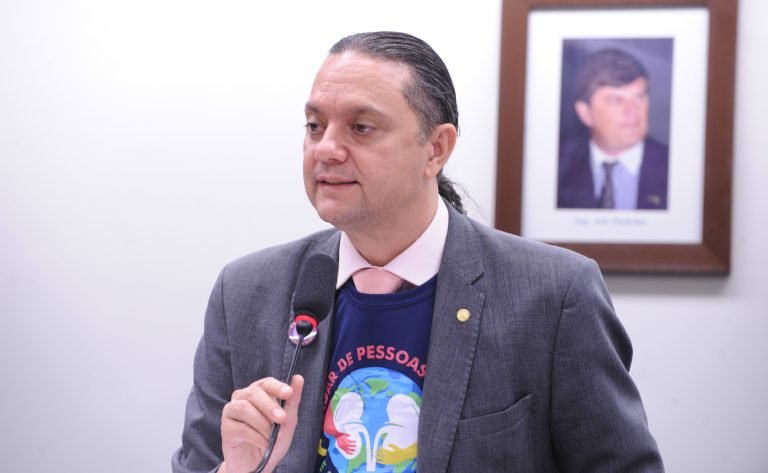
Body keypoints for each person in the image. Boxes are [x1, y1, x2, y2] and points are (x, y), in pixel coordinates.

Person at [172, 32, 664, 472]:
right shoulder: (245, 292)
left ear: (436, 149)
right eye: (315, 125)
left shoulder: (554, 295)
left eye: (361, 127)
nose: (326, 149)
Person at [557, 48, 669, 210]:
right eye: (616, 101)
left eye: (639, 97)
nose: (632, 111)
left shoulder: (676, 168)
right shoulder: (556, 167)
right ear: (585, 113)